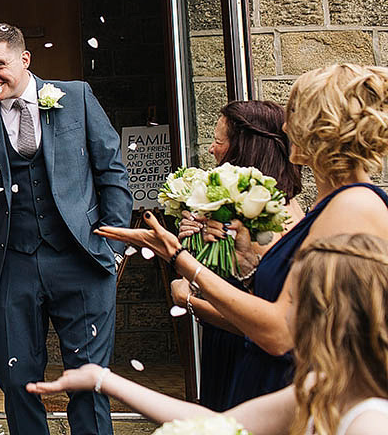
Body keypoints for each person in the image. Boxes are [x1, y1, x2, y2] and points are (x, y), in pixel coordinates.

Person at [96, 63, 388, 406]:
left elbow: (282, 333)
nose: (284, 126)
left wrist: (179, 258)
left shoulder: (353, 205)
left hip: (294, 391)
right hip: (264, 384)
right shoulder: (332, 202)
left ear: (318, 127)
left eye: (294, 113)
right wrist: (247, 262)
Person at [0, 24, 133, 435]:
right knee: (18, 382)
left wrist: (115, 248)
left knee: (88, 382)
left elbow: (112, 175)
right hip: (13, 266)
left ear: (24, 60)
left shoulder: (77, 98)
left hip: (82, 262)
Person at [27, 233, 388, 435]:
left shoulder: (370, 421)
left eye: (295, 301)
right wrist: (102, 378)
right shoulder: (321, 388)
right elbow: (218, 425)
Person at [174, 100, 304, 411]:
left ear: (244, 150)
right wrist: (197, 244)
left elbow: (262, 324)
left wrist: (189, 298)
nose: (212, 151)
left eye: (218, 141)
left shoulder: (267, 226)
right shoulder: (267, 208)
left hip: (244, 359)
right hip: (228, 351)